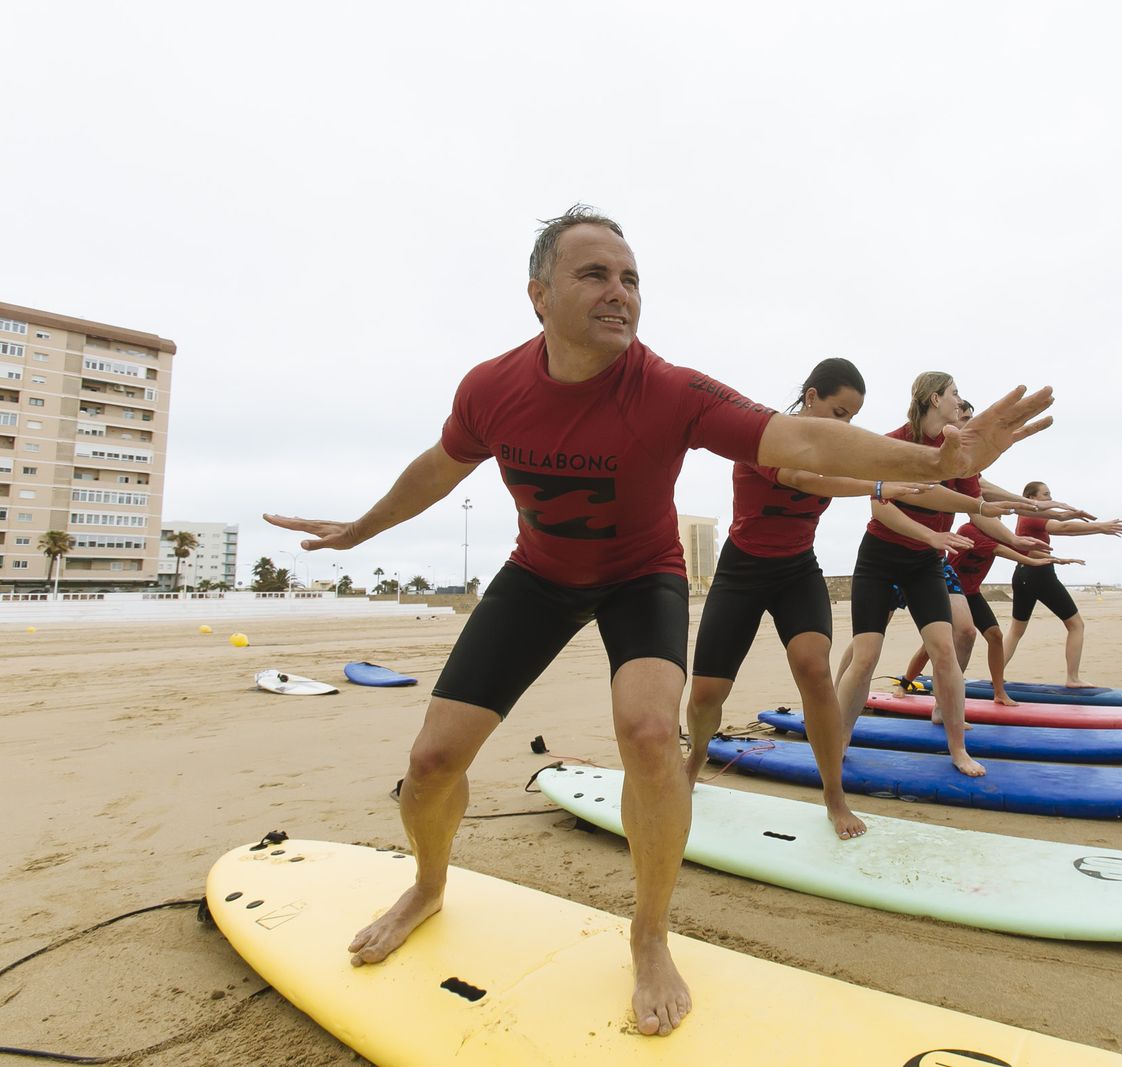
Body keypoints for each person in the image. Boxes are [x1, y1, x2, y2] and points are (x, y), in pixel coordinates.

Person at [264, 206, 1055, 1037]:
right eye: (595, 275)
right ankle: (428, 884)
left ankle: (648, 931)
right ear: (539, 295)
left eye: (631, 278)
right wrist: (362, 527)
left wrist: (936, 462)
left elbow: (801, 439)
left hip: (642, 577)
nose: (619, 293)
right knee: (430, 760)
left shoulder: (669, 388)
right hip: (536, 576)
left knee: (649, 735)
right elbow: (439, 465)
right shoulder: (491, 388)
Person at [682, 357, 928, 840]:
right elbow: (801, 478)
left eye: (853, 419)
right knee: (708, 694)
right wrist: (877, 485)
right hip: (742, 572)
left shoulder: (842, 448)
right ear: (811, 397)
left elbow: (910, 471)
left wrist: (980, 500)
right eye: (839, 413)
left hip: (797, 570)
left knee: (814, 668)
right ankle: (694, 757)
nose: (847, 427)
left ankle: (834, 795)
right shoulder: (763, 435)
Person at [833, 373, 1047, 776]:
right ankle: (837, 742)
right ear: (935, 399)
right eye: (955, 395)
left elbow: (973, 507)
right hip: (880, 559)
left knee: (945, 651)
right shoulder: (895, 443)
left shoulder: (959, 454)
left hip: (924, 564)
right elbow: (881, 508)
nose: (960, 402)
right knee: (865, 657)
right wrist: (932, 535)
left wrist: (1017, 543)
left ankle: (957, 749)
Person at [898, 520, 1084, 705]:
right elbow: (999, 550)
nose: (998, 520)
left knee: (995, 635)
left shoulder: (997, 535)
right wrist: (1032, 562)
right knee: (929, 647)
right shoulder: (968, 530)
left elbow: (1020, 549)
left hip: (972, 593)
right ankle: (905, 683)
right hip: (950, 592)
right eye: (993, 516)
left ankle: (999, 692)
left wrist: (1054, 560)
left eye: (999, 517)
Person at [999, 480, 1122, 687]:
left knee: (1016, 630)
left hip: (1021, 573)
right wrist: (1100, 527)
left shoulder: (1024, 516)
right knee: (1076, 625)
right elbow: (1064, 527)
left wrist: (1095, 528)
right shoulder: (1033, 514)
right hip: (1039, 573)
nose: (1050, 498)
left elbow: (1066, 528)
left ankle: (997, 674)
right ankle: (1072, 678)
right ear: (1032, 498)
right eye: (1046, 494)